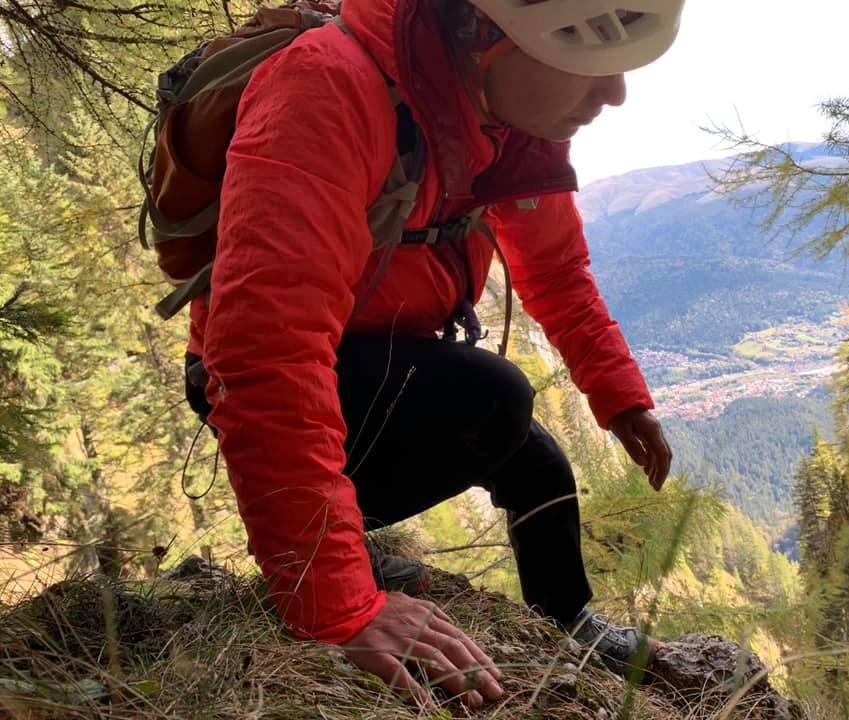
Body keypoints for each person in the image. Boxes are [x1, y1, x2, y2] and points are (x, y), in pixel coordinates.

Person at [185, 0, 680, 708]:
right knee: (495, 398)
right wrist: (338, 606)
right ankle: (349, 553)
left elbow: (555, 272)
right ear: (489, 37)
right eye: (584, 64)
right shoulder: (328, 86)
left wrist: (620, 394)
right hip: (272, 374)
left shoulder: (499, 119)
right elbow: (266, 350)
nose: (613, 92)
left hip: (375, 358)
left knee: (537, 461)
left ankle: (565, 619)